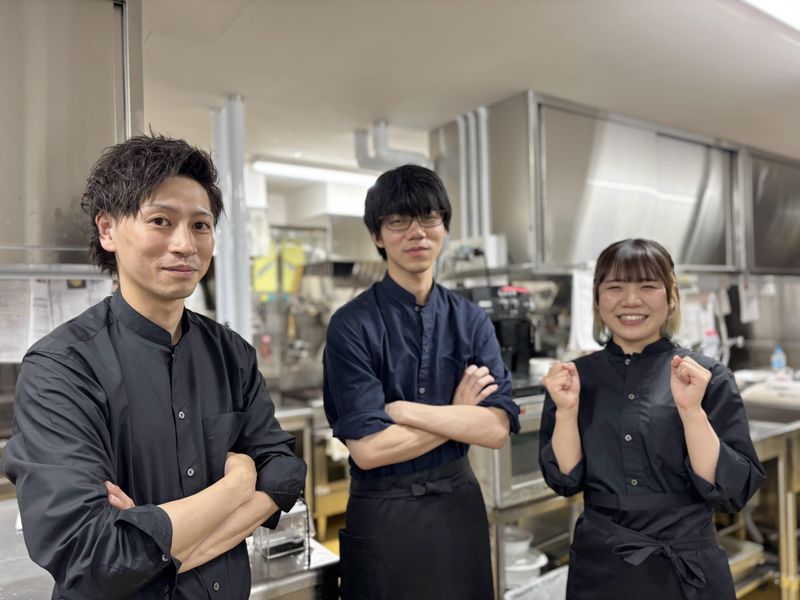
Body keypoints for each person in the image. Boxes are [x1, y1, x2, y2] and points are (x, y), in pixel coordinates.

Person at [1, 135, 307, 599]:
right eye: (160, 221)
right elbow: (93, 555)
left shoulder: (231, 354)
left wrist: (158, 542)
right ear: (108, 230)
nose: (185, 244)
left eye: (200, 225)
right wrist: (238, 484)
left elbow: (284, 470)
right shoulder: (61, 369)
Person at [322, 164, 520, 600]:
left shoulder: (471, 320)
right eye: (398, 221)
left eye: (429, 217)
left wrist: (405, 411)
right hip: (384, 516)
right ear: (377, 235)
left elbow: (495, 430)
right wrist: (460, 415)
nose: (417, 232)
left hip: (459, 511)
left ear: (444, 226)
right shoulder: (352, 325)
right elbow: (370, 450)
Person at [538, 238, 765, 600]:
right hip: (602, 567)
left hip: (687, 566)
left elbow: (731, 491)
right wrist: (566, 411)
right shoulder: (574, 378)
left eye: (647, 286)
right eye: (615, 287)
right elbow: (565, 480)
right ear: (597, 298)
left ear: (671, 297)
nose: (631, 300)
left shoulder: (705, 376)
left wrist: (691, 412)